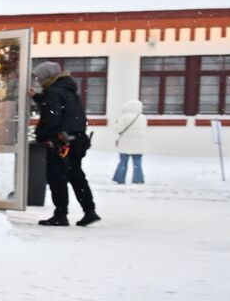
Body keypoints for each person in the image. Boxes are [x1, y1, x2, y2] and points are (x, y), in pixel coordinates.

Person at [31, 61, 100, 226]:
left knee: (57, 178)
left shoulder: (53, 92)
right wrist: (38, 97)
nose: (38, 81)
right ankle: (89, 211)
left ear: (47, 77)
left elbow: (51, 118)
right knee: (76, 176)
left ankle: (60, 214)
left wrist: (40, 136)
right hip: (77, 140)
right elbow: (62, 108)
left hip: (60, 143)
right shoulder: (69, 90)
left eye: (39, 78)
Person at [112, 98, 146, 185]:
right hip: (139, 143)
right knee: (137, 162)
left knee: (123, 162)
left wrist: (116, 123)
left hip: (125, 143)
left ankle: (120, 178)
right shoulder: (142, 118)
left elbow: (118, 129)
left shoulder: (124, 117)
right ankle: (138, 178)